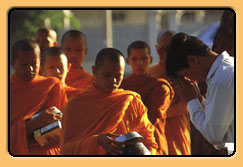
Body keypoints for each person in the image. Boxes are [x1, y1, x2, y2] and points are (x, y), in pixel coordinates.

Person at [60, 48, 158, 155]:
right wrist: (97, 141)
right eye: (107, 75)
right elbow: (66, 150)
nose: (113, 81)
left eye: (118, 76)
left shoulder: (131, 101)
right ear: (94, 71)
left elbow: (149, 141)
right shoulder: (76, 104)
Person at [165, 32, 234, 153]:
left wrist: (191, 101)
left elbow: (214, 135)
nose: (191, 80)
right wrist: (199, 99)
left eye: (186, 75)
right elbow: (221, 125)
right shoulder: (228, 68)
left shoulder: (221, 78)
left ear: (193, 60)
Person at [10, 39, 67, 155]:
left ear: (40, 62)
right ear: (12, 64)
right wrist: (33, 124)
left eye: (34, 64)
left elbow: (67, 124)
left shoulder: (52, 85)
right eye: (24, 64)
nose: (30, 69)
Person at [120, 41, 174, 155]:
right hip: (126, 146)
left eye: (144, 59)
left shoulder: (160, 87)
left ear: (150, 59)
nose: (139, 63)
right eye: (134, 59)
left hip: (153, 144)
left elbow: (153, 118)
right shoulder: (122, 88)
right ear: (127, 61)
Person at [149, 31, 191, 155]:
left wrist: (157, 114)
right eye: (161, 50)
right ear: (156, 49)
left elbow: (186, 105)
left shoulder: (185, 72)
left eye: (169, 49)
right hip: (156, 135)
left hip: (178, 134)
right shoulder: (151, 73)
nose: (165, 53)